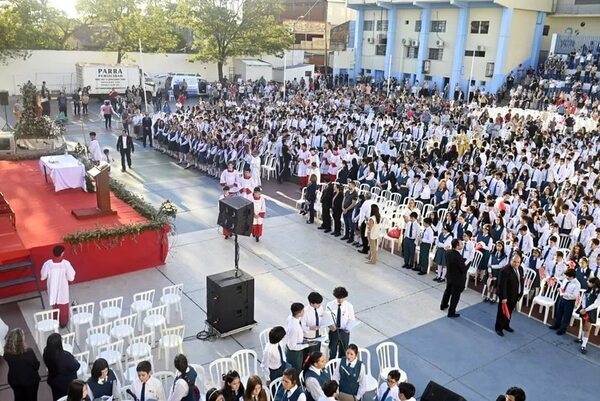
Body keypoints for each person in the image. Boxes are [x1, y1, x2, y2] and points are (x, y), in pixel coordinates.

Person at [40, 245, 76, 328]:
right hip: (63, 289)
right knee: (63, 307)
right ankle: (63, 323)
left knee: (54, 306)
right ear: (62, 253)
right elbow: (71, 277)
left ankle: (55, 322)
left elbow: (43, 276)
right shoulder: (66, 264)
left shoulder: (48, 264)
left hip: (52, 289)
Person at [3, 328, 40, 401]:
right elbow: (36, 366)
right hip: (30, 381)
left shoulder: (7, 354)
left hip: (15, 380)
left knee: (18, 398)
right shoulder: (28, 352)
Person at [495, 254, 525, 336]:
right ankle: (499, 328)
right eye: (514, 262)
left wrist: (520, 292)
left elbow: (521, 281)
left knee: (509, 311)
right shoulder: (505, 271)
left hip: (515, 295)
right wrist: (503, 297)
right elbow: (502, 285)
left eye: (518, 262)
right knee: (502, 313)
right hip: (506, 297)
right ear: (511, 260)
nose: (516, 264)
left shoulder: (521, 269)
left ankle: (506, 325)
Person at [43, 333, 79, 400]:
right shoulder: (65, 356)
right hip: (67, 384)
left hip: (53, 381)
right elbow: (76, 366)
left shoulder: (46, 352)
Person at [549, 268, 581, 335]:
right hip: (562, 298)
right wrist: (560, 289)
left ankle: (562, 329)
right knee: (559, 313)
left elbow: (574, 296)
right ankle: (556, 325)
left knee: (566, 316)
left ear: (572, 276)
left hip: (569, 302)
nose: (566, 277)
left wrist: (565, 294)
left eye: (567, 276)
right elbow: (563, 287)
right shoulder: (566, 280)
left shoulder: (577, 284)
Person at [326, 286, 356, 359]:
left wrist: (348, 328)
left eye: (342, 298)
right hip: (334, 331)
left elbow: (351, 319)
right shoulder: (330, 305)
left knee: (344, 351)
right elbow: (327, 319)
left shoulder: (349, 306)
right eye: (339, 298)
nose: (340, 300)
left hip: (344, 331)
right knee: (332, 351)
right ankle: (331, 366)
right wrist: (330, 326)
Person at [440, 239, 467, 318]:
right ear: (457, 246)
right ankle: (451, 312)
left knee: (447, 291)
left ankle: (443, 305)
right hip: (457, 279)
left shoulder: (448, 253)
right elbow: (463, 269)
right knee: (455, 296)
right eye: (461, 244)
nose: (462, 245)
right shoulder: (458, 257)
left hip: (449, 276)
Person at [575, 277, 600, 354]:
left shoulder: (598, 292)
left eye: (589, 282)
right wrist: (582, 307)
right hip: (584, 310)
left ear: (593, 284)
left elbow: (596, 304)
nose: (587, 283)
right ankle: (582, 339)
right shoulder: (589, 289)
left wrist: (586, 309)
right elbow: (584, 298)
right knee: (583, 325)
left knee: (587, 328)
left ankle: (584, 345)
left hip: (590, 312)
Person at [286, 303, 308, 371]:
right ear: (299, 313)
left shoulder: (290, 317)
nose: (304, 312)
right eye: (303, 311)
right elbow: (292, 347)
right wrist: (307, 345)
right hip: (294, 354)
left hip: (297, 348)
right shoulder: (294, 327)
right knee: (295, 371)